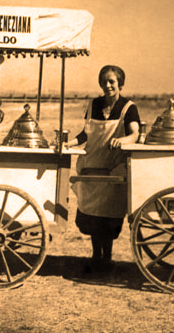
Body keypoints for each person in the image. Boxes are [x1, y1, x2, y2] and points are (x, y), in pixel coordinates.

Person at [65, 65, 140, 273]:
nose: (107, 85)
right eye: (104, 81)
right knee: (91, 216)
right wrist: (69, 144)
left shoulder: (128, 107)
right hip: (90, 168)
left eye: (112, 82)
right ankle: (96, 256)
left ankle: (106, 258)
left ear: (120, 84)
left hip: (114, 170)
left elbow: (135, 134)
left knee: (109, 218)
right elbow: (85, 135)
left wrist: (122, 140)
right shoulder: (93, 105)